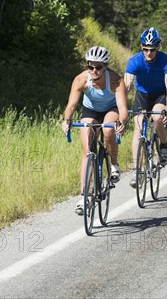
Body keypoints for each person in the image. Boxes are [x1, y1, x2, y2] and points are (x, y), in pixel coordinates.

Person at [62, 46, 128, 215]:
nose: (94, 70)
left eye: (98, 67)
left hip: (111, 109)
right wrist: (67, 120)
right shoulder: (81, 80)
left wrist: (121, 122)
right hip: (90, 111)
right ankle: (83, 197)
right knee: (87, 152)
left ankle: (113, 164)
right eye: (90, 66)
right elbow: (71, 105)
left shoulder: (115, 80)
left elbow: (122, 108)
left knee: (107, 131)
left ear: (105, 66)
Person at [124, 27, 167, 188]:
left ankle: (164, 145)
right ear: (141, 47)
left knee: (158, 117)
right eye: (145, 49)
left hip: (160, 94)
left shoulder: (166, 60)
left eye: (152, 50)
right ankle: (136, 171)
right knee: (138, 129)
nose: (148, 53)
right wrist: (120, 107)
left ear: (158, 47)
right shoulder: (134, 61)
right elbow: (126, 85)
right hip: (142, 95)